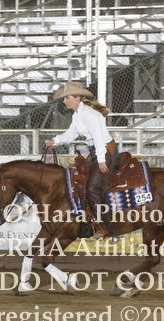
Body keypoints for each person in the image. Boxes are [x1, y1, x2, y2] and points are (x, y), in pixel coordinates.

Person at [46, 81, 118, 238]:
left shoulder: (88, 115)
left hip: (105, 152)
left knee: (93, 187)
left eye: (67, 98)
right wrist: (55, 141)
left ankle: (108, 229)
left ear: (77, 98)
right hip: (96, 152)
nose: (64, 101)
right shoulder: (78, 115)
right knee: (80, 181)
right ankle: (88, 221)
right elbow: (71, 134)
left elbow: (99, 138)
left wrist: (101, 160)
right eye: (64, 98)